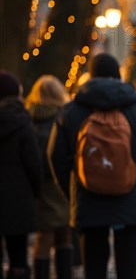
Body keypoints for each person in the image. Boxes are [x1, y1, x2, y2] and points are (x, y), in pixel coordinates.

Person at [49, 54, 136, 279]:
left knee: (93, 267)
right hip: (132, 198)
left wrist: (72, 189)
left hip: (88, 199)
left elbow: (54, 155)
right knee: (130, 267)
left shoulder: (71, 111)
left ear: (91, 76)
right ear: (118, 75)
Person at [25, 76, 72, 279]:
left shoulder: (28, 119)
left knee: (43, 238)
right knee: (64, 236)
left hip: (39, 186)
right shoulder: (63, 119)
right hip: (60, 184)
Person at [0, 71, 43, 279]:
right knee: (19, 256)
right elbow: (33, 164)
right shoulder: (23, 123)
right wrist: (35, 192)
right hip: (18, 199)